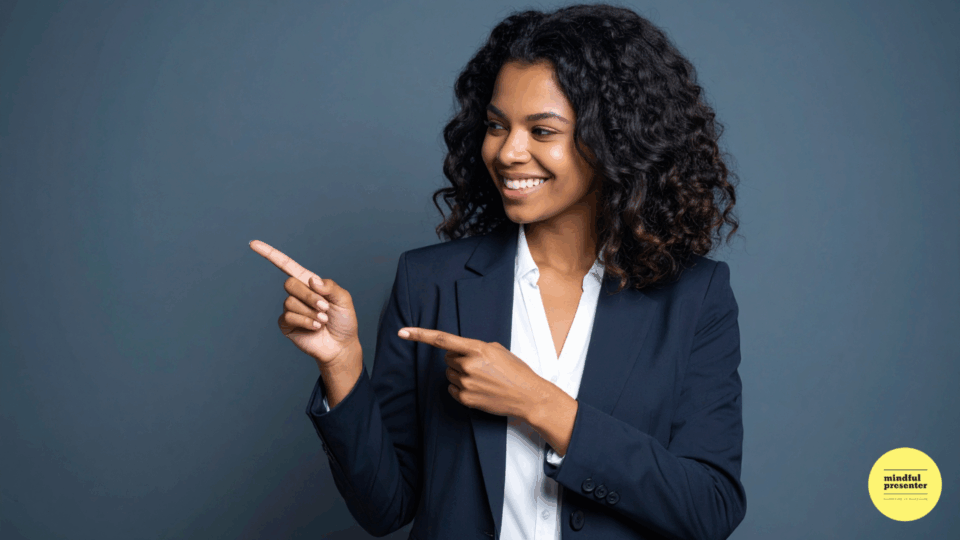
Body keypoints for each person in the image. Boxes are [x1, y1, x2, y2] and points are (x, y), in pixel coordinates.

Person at [251, 4, 744, 539]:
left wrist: (539, 403)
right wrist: (342, 366)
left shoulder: (694, 296)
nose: (508, 151)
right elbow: (385, 507)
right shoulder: (429, 283)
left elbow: (709, 508)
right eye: (496, 125)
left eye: (541, 130)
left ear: (613, 143)